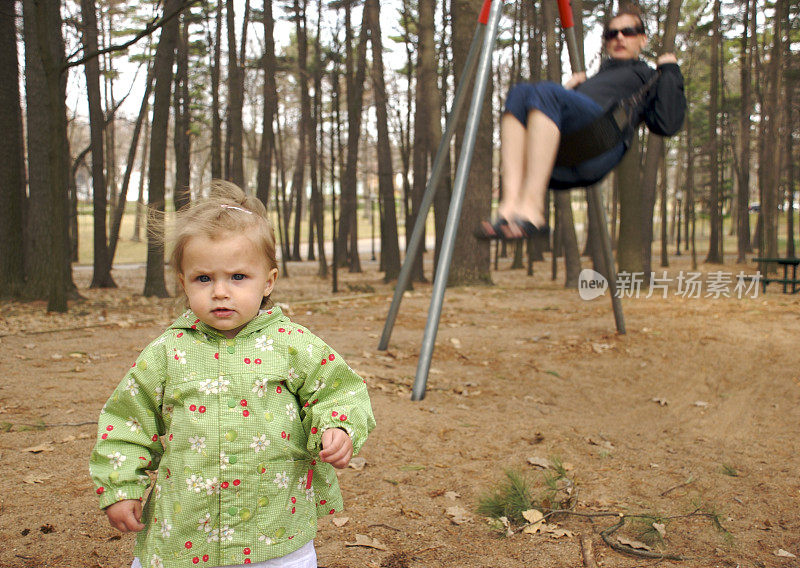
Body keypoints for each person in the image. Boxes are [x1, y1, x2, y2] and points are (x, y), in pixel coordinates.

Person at [89, 181, 376, 568]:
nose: (220, 292)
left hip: (275, 531)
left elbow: (339, 391)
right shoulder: (167, 353)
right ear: (183, 283)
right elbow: (127, 422)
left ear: (268, 281)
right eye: (203, 279)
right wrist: (122, 486)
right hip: (184, 533)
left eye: (238, 277)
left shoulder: (293, 344)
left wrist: (338, 426)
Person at [477, 5, 686, 240]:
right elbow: (550, 106)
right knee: (520, 92)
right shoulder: (593, 79)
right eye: (611, 34)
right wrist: (568, 93)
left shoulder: (648, 76)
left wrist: (670, 71)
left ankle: (533, 210)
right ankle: (510, 207)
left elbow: (667, 123)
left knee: (546, 91)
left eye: (627, 32)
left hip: (602, 139)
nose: (618, 37)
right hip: (564, 155)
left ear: (642, 39)